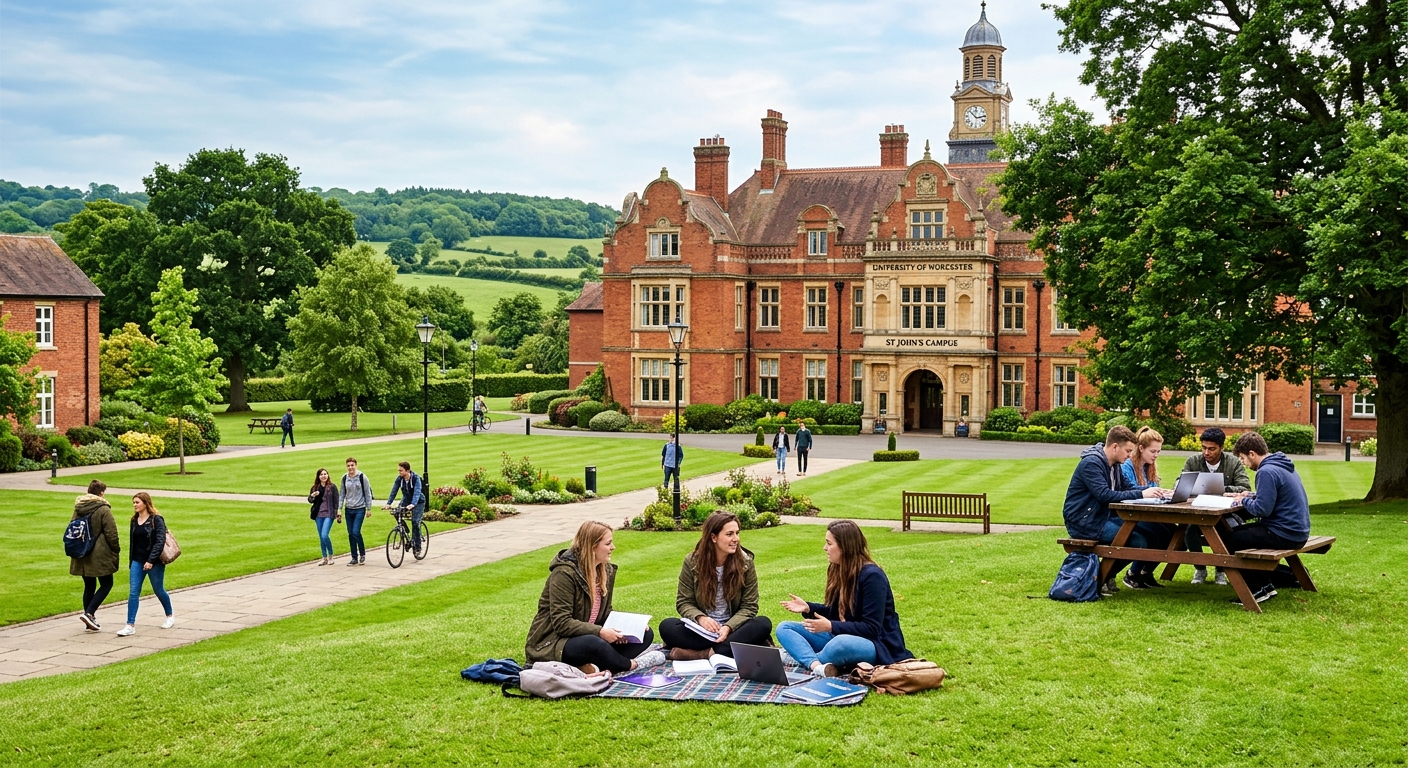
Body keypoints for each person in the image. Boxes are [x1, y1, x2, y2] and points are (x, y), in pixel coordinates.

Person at [525, 521, 667, 674]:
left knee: (645, 634)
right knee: (594, 643)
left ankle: (593, 666)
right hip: (554, 642)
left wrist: (631, 626)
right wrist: (600, 632)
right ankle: (631, 665)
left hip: (586, 636)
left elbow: (605, 614)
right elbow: (562, 623)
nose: (613, 547)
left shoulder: (604, 570)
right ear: (592, 547)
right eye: (608, 543)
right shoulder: (564, 574)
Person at [777, 520, 913, 678]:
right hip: (839, 635)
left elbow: (871, 628)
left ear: (845, 546)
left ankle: (803, 657)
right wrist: (808, 608)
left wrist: (830, 626)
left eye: (829, 543)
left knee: (840, 645)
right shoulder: (838, 569)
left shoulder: (872, 576)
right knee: (784, 628)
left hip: (875, 644)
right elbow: (835, 613)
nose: (825, 548)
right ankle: (817, 666)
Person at [1187, 432, 1311, 605]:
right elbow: (1271, 498)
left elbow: (1262, 509)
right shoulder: (1281, 465)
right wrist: (1251, 495)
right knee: (1232, 534)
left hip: (1284, 533)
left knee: (1228, 540)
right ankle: (1265, 587)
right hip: (1296, 531)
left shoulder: (1266, 471)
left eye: (1243, 458)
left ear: (1252, 454)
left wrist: (1243, 499)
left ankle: (1255, 591)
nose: (1244, 463)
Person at [1061, 426, 1170, 596]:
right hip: (1084, 522)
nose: (1129, 455)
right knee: (1138, 541)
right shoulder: (1091, 463)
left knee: (1154, 534)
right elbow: (1104, 494)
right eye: (1127, 450)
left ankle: (1108, 575)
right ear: (1114, 447)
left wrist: (1156, 491)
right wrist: (1142, 493)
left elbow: (1126, 487)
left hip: (1103, 517)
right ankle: (1102, 576)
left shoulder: (1115, 465)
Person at [659, 511, 773, 660]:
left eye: (737, 533)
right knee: (667, 626)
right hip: (702, 631)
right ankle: (729, 650)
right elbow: (684, 602)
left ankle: (703, 654)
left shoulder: (745, 562)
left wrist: (728, 627)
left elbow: (749, 607)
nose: (736, 539)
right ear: (713, 537)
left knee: (763, 624)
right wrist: (701, 618)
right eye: (729, 534)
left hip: (734, 629)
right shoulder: (692, 562)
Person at [1181, 427, 1251, 586]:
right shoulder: (1193, 461)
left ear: (1222, 448)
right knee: (1189, 531)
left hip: (1225, 514)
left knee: (1226, 531)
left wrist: (1222, 490)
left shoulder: (1233, 463)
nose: (1206, 452)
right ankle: (1200, 569)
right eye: (1204, 448)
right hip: (1197, 512)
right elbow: (1181, 484)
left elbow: (1244, 487)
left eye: (1211, 449)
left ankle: (1221, 570)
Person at [1119, 426, 1175, 589]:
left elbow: (1152, 490)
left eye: (1158, 452)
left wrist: (1163, 492)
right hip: (1131, 515)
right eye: (1153, 451)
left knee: (1174, 532)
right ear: (1141, 448)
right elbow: (1129, 491)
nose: (1156, 455)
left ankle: (1145, 573)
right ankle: (1132, 574)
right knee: (1160, 533)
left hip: (1148, 513)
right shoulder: (1127, 466)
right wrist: (1150, 492)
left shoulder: (1150, 467)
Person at [116, 492, 174, 636]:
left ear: (145, 503)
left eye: (137, 502)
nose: (135, 505)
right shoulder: (134, 520)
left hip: (154, 561)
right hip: (137, 560)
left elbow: (160, 541)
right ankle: (130, 625)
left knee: (158, 590)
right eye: (133, 502)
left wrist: (151, 561)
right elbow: (133, 543)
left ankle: (169, 615)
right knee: (133, 592)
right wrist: (132, 562)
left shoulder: (157, 519)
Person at [70, 480, 120, 631]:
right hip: (99, 553)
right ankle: (90, 614)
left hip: (82, 551)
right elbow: (111, 532)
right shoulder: (103, 508)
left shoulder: (79, 507)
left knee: (89, 585)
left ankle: (88, 618)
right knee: (107, 584)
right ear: (102, 493)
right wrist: (115, 549)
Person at [385, 461, 426, 554]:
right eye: (398, 470)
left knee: (415, 522)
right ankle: (405, 531)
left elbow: (417, 492)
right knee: (396, 512)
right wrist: (388, 503)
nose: (399, 472)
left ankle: (418, 546)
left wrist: (413, 504)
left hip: (418, 501)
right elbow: (394, 490)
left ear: (407, 470)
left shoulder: (415, 478)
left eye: (401, 471)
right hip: (406, 500)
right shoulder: (399, 479)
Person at [340, 457, 373, 566]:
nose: (350, 468)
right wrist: (339, 509)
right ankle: (354, 557)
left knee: (355, 531)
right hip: (349, 508)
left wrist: (369, 508)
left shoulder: (362, 477)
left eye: (352, 465)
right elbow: (342, 494)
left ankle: (362, 553)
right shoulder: (344, 478)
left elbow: (367, 493)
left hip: (360, 508)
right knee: (350, 533)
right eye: (348, 465)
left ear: (356, 465)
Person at [308, 468, 340, 565]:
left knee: (324, 535)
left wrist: (338, 512)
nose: (323, 476)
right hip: (318, 514)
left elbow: (336, 500)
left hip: (329, 514)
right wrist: (313, 495)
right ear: (318, 476)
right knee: (321, 537)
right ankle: (324, 557)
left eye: (325, 474)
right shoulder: (315, 488)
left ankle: (330, 555)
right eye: (321, 474)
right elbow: (310, 500)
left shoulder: (332, 487)